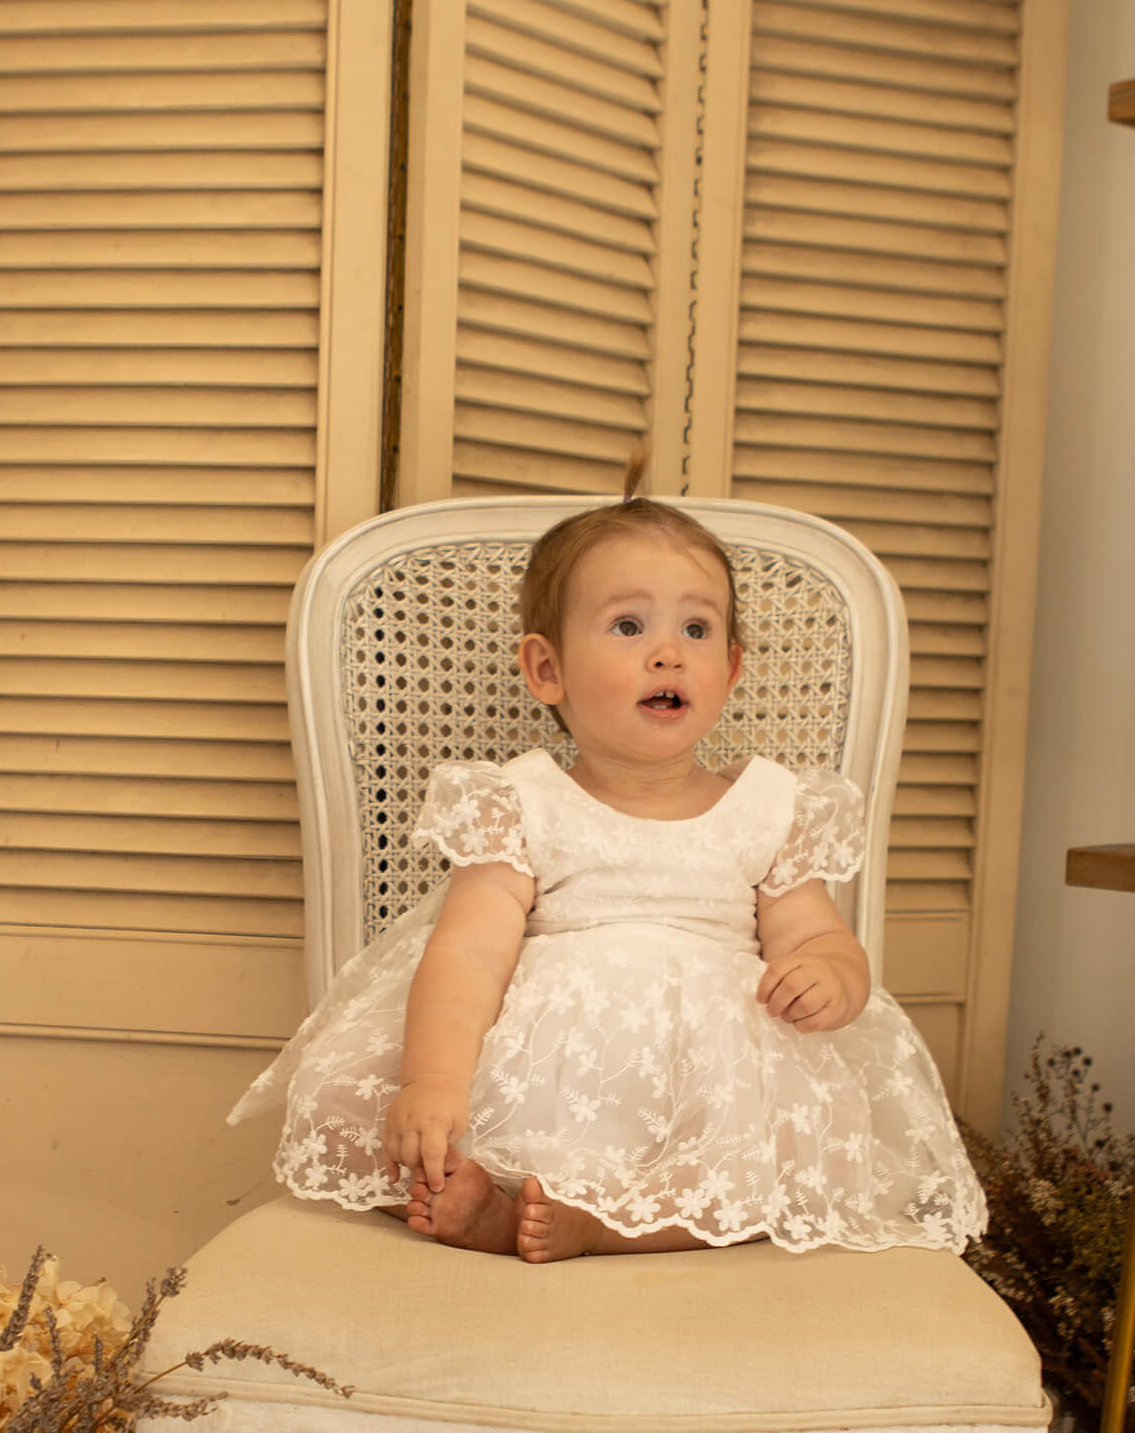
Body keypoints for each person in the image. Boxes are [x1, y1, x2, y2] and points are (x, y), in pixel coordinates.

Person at [231, 460, 986, 1263]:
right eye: (629, 627)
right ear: (547, 669)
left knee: (804, 1148)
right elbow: (469, 954)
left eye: (696, 631)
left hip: (711, 1074)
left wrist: (831, 976)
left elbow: (816, 935)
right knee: (348, 1107)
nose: (668, 654)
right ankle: (488, 1202)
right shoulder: (522, 803)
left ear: (730, 669)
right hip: (557, 1065)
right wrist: (432, 1082)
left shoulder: (770, 807)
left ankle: (598, 1228)